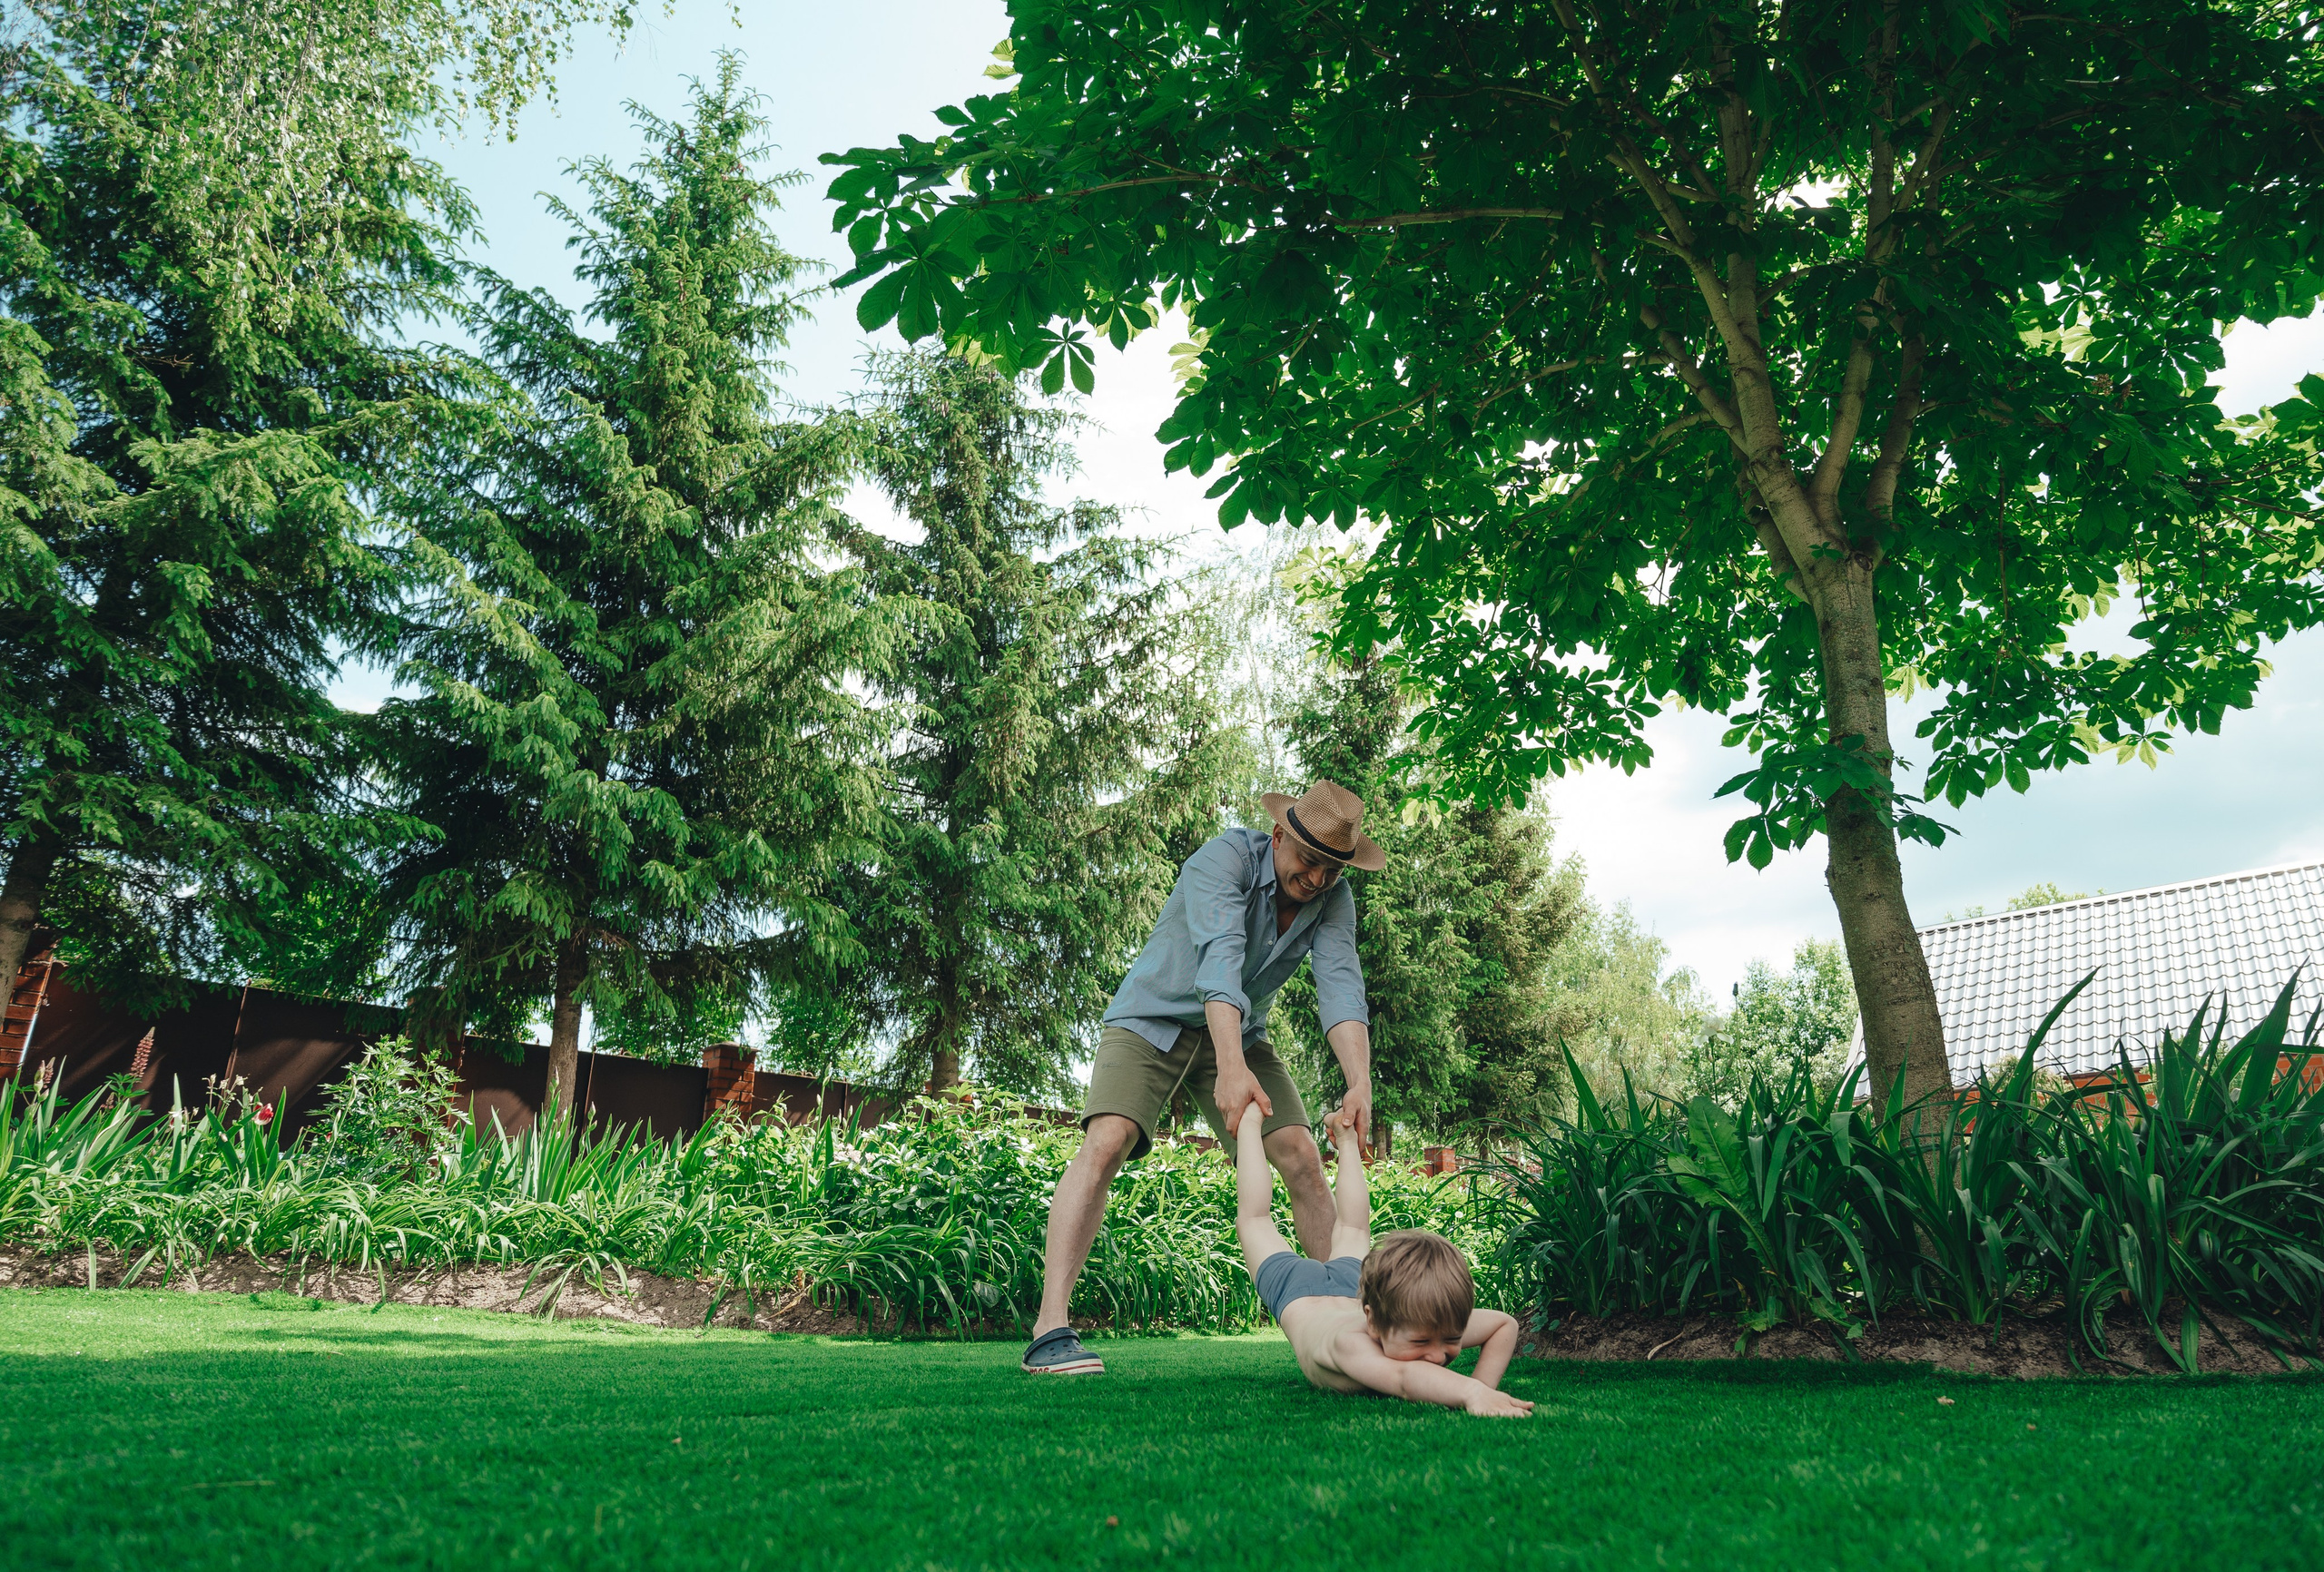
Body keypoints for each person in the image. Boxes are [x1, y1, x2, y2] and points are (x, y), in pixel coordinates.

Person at [1020, 781, 1384, 1376]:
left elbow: (1341, 984)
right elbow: (1220, 960)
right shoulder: (1221, 861)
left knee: (1299, 1156)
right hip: (1153, 1019)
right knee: (1107, 1141)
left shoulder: (1331, 900)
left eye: (1333, 870)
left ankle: (1343, 1322)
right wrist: (1232, 1070)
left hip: (1239, 1031)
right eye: (1309, 862)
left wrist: (1359, 1081)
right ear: (1279, 838)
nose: (1317, 880)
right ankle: (1050, 1328)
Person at [1232, 1101, 1531, 1413]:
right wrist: (1471, 1393)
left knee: (1354, 1228)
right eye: (1419, 1343)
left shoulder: (1420, 1320)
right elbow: (1404, 1377)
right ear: (1372, 1322)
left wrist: (1485, 1389)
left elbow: (1504, 1325)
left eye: (1451, 1339)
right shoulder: (1348, 1344)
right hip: (1295, 1293)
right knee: (1255, 1221)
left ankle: (1346, 1139)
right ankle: (1250, 1124)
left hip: (1352, 1288)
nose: (1438, 1356)